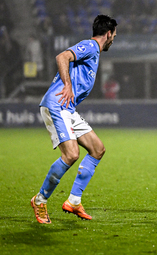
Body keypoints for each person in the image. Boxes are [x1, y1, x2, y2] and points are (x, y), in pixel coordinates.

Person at [31, 15, 118, 224]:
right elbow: (62, 57)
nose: (114, 39)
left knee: (97, 149)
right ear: (108, 34)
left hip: (67, 108)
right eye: (114, 35)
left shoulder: (94, 52)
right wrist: (67, 84)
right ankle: (40, 200)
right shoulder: (89, 45)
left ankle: (74, 201)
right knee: (71, 154)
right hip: (57, 104)